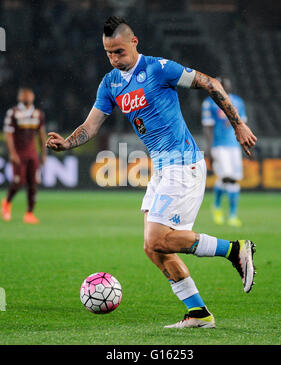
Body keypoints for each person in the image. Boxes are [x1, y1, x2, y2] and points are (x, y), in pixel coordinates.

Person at [46, 16, 257, 328]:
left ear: (134, 42)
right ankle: (198, 313)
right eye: (108, 53)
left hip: (182, 163)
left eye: (119, 51)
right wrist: (67, 143)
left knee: (159, 239)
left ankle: (236, 250)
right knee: (152, 247)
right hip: (161, 169)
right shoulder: (110, 83)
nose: (114, 58)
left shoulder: (159, 69)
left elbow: (211, 83)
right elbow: (91, 125)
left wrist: (238, 124)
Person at [202, 77, 247, 227]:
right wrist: (209, 148)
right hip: (219, 146)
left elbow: (242, 125)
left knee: (228, 179)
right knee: (229, 178)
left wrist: (245, 144)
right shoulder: (209, 103)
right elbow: (208, 127)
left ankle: (217, 206)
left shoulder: (239, 102)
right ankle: (232, 215)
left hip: (234, 146)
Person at [1, 87, 47, 224]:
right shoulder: (13, 113)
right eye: (24, 95)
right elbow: (8, 134)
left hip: (32, 153)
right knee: (18, 181)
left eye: (29, 95)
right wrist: (12, 153)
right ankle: (6, 203)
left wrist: (44, 153)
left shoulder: (38, 114)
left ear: (33, 97)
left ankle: (29, 213)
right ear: (20, 97)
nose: (27, 97)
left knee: (33, 183)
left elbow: (41, 134)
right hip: (19, 153)